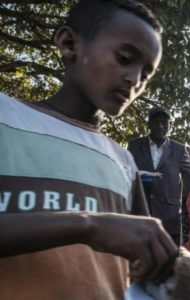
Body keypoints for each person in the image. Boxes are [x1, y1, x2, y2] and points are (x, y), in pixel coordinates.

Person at [0, 0, 178, 299]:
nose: (134, 80)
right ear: (70, 44)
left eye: (146, 75)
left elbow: (146, 266)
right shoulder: (6, 118)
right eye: (124, 58)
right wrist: (88, 225)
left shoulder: (123, 161)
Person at [128, 106, 190, 246]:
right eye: (156, 122)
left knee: (169, 262)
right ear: (148, 124)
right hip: (140, 214)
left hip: (169, 218)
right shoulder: (135, 146)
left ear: (170, 125)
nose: (160, 126)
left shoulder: (179, 149)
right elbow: (126, 172)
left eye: (164, 122)